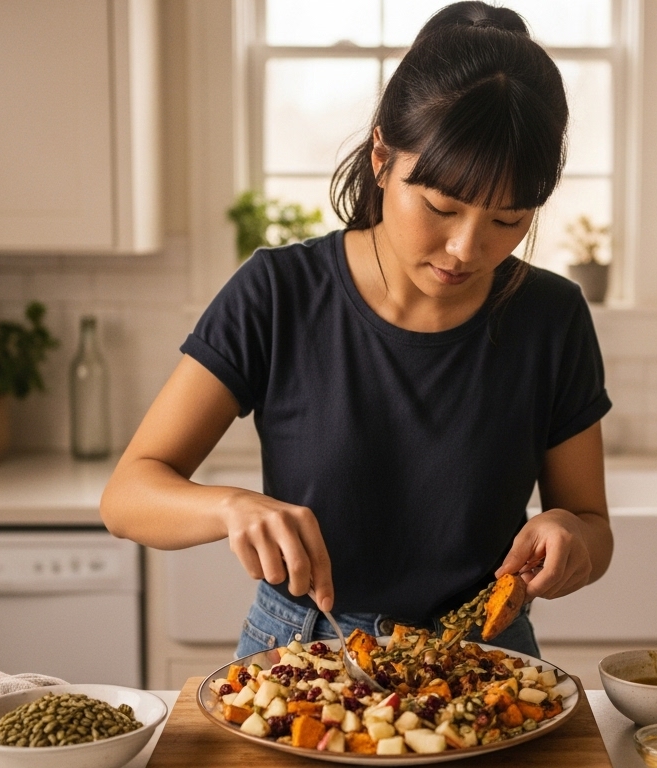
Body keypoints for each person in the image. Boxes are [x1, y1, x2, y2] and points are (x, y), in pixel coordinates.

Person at [101, 1, 612, 659]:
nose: (465, 247)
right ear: (381, 155)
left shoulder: (552, 316)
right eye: (440, 206)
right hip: (304, 649)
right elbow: (128, 495)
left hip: (486, 656)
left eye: (508, 221)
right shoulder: (277, 292)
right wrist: (230, 508)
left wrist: (571, 533)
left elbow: (593, 528)